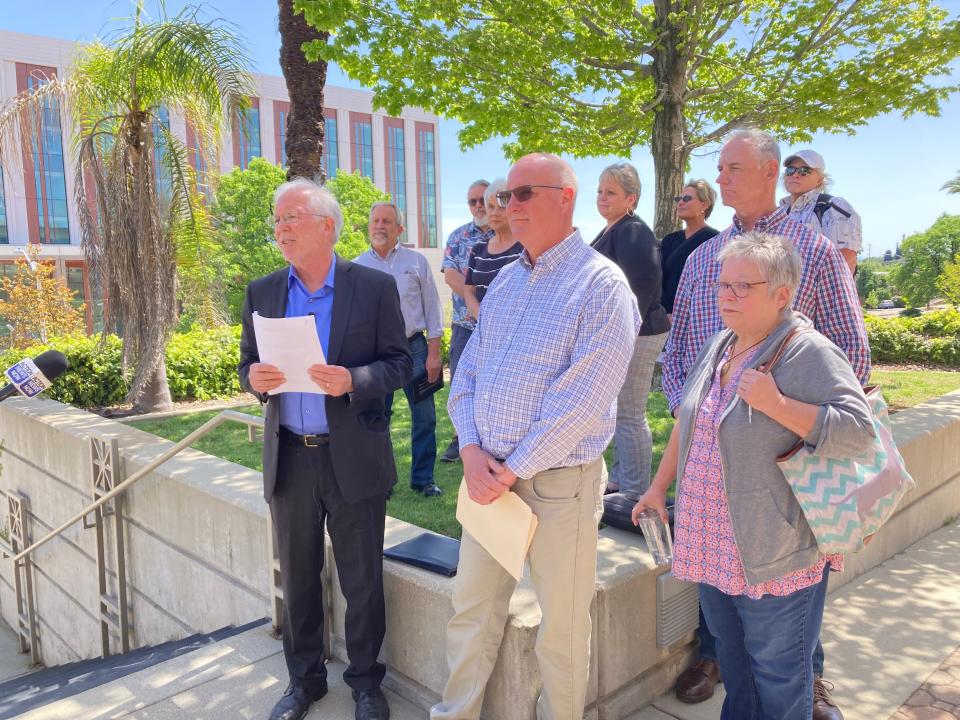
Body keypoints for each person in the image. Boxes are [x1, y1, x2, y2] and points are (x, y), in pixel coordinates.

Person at [662, 128, 869, 720]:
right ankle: (720, 660)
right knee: (734, 627)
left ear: (770, 169)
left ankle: (811, 681)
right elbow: (680, 354)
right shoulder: (704, 257)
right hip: (711, 479)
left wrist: (788, 415)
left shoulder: (813, 249)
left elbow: (850, 355)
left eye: (732, 167)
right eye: (718, 168)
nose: (719, 177)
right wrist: (702, 414)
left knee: (785, 642)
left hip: (784, 475)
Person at [430, 154, 640, 720]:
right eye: (506, 195)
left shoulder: (602, 286)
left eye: (524, 194)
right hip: (488, 480)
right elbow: (467, 375)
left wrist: (511, 467)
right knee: (470, 612)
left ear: (565, 197)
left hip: (557, 488)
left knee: (563, 631)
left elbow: (582, 402)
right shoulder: (506, 284)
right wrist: (472, 451)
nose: (507, 205)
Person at [239, 179, 412, 720]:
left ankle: (364, 683)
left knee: (361, 579)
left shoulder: (373, 288)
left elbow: (400, 363)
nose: (280, 228)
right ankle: (304, 681)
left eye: (291, 217)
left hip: (353, 457)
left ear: (326, 225)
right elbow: (246, 365)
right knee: (298, 575)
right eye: (277, 220)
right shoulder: (262, 291)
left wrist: (353, 379)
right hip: (290, 457)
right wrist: (255, 377)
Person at [354, 202, 445, 496]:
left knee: (425, 416)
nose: (380, 225)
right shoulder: (355, 267)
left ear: (399, 229)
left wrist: (434, 352)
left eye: (387, 221)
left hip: (414, 348)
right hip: (375, 352)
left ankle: (423, 479)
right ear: (369, 226)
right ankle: (383, 480)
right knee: (377, 415)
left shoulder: (416, 262)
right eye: (376, 220)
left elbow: (432, 308)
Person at [591, 161, 670, 497]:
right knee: (622, 412)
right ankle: (623, 479)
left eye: (611, 192)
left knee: (630, 413)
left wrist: (619, 334)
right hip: (626, 331)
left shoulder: (634, 232)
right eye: (599, 191)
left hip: (639, 332)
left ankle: (635, 489)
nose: (602, 198)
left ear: (631, 198)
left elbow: (642, 286)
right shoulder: (613, 229)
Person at [439, 180, 495, 463]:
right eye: (471, 201)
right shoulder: (458, 236)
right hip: (465, 325)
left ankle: (491, 438)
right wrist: (475, 302)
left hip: (501, 328)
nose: (477, 206)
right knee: (462, 382)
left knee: (496, 382)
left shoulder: (508, 232)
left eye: (481, 200)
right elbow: (450, 274)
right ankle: (461, 438)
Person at [780, 149, 862, 275]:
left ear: (820, 180)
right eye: (790, 170)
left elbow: (845, 264)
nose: (795, 175)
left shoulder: (832, 208)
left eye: (804, 171)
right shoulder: (781, 212)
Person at [462, 178, 523, 318]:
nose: (494, 212)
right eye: (490, 206)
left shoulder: (526, 247)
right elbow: (469, 290)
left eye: (501, 206)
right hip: (482, 329)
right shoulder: (478, 249)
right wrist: (482, 319)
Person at [660, 180, 720, 318]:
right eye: (678, 199)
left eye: (686, 198)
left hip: (701, 317)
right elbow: (658, 280)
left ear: (704, 204)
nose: (680, 202)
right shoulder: (669, 240)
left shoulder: (716, 241)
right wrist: (666, 312)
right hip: (666, 319)